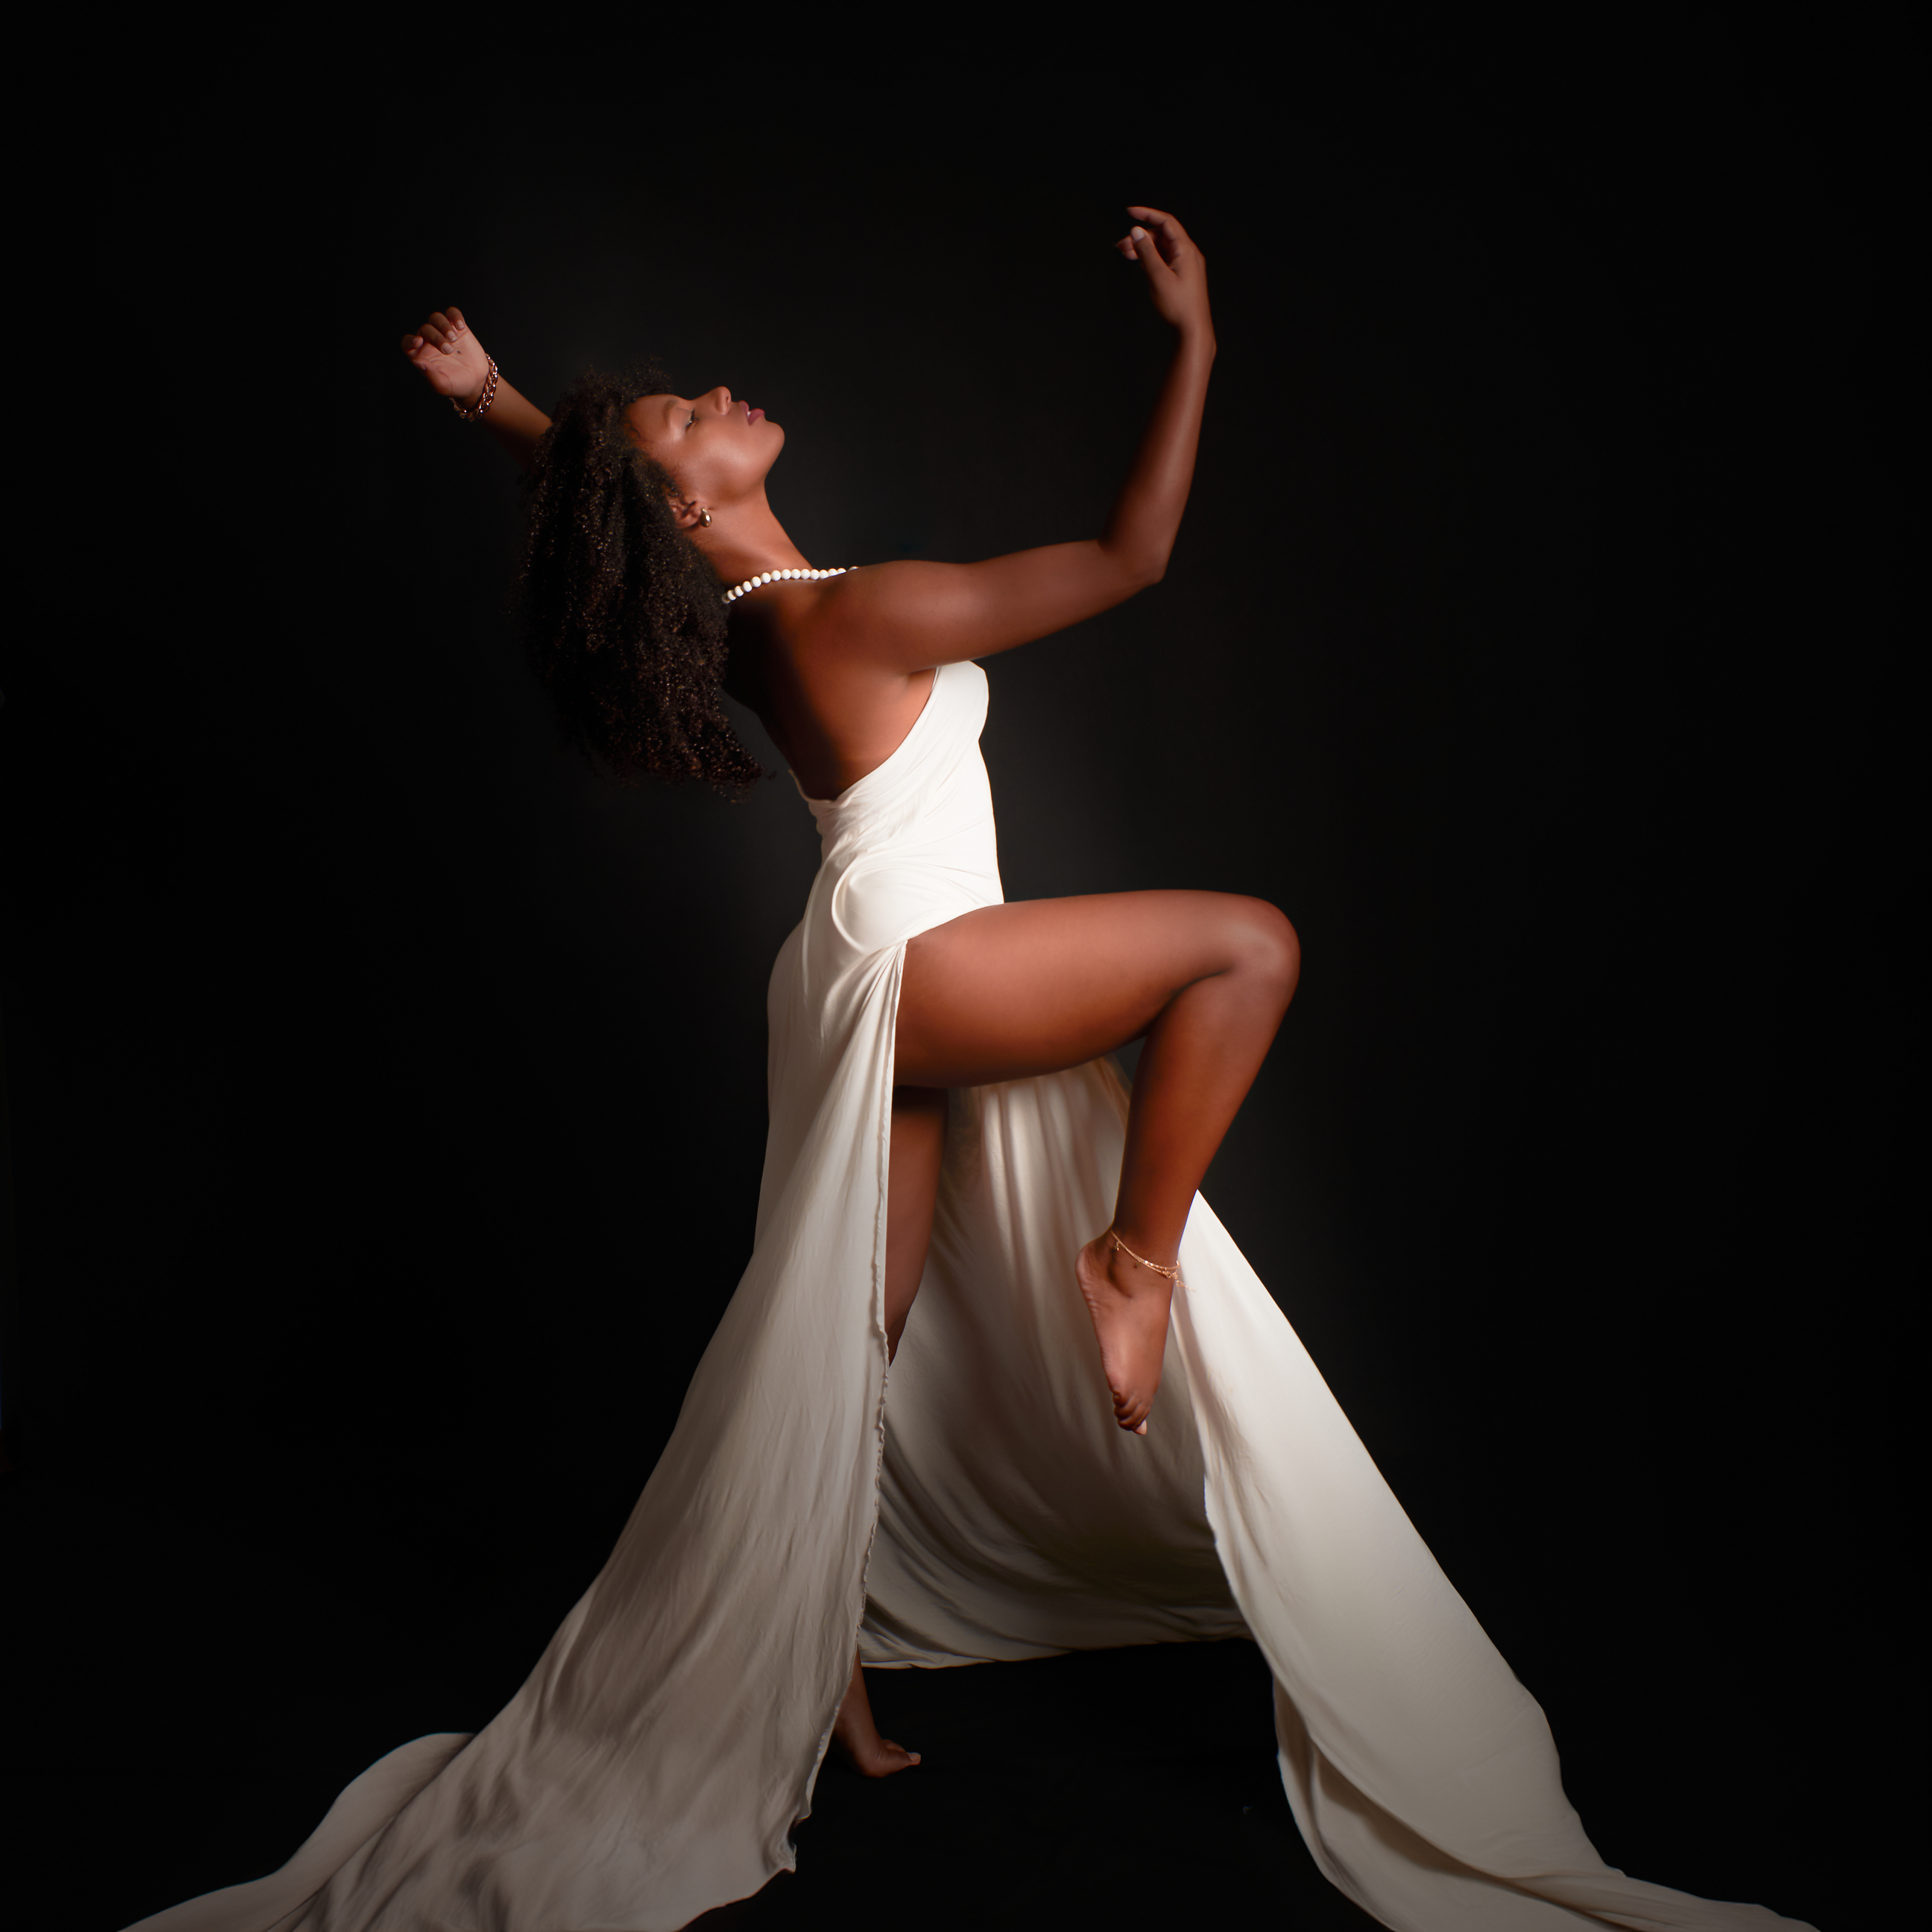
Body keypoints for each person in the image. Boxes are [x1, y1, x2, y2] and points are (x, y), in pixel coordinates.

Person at [128, 210, 1815, 1932]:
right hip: (919, 962)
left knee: (845, 1345)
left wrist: (496, 402)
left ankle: (817, 1672)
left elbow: (612, 495)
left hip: (850, 975)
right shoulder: (863, 610)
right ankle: (1133, 1260)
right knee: (1248, 947)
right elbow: (1136, 556)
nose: (717, 397)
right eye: (690, 419)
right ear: (693, 502)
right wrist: (1196, 344)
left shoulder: (746, 612)